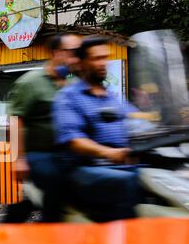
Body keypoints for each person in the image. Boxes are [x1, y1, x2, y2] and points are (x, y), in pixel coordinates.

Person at [53, 36, 144, 222]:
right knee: (128, 183)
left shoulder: (112, 97)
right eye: (96, 58)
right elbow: (73, 139)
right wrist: (109, 153)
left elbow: (138, 121)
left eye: (105, 57)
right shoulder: (68, 97)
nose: (103, 63)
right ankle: (120, 243)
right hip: (86, 168)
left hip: (123, 164)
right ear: (81, 62)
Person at [4, 33, 82, 223]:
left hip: (67, 151)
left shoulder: (74, 85)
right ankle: (48, 230)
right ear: (56, 53)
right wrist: (19, 159)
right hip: (38, 152)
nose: (76, 57)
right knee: (56, 181)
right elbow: (15, 121)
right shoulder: (31, 82)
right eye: (72, 52)